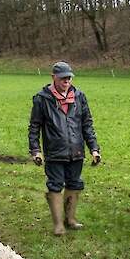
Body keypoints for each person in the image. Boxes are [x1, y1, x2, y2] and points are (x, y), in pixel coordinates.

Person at [28, 61, 102, 236]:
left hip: (76, 152)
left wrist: (94, 148)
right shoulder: (42, 99)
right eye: (63, 78)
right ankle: (58, 224)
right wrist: (35, 150)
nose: (66, 81)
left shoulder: (79, 97)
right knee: (55, 186)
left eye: (69, 77)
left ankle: (70, 219)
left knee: (75, 184)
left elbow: (87, 125)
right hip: (54, 153)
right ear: (53, 77)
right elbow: (34, 126)